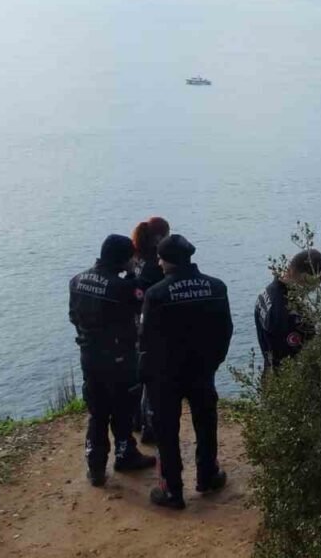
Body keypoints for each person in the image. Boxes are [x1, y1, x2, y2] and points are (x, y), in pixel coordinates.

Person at [140, 234, 233, 509]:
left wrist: (147, 373)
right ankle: (208, 475)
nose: (158, 263)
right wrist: (214, 361)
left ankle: (172, 490)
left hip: (166, 374)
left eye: (159, 258)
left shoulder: (156, 294)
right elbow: (226, 330)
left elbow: (146, 340)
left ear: (166, 261)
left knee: (166, 430)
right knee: (206, 423)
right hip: (202, 369)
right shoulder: (216, 287)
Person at [68, 234, 157, 487]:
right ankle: (125, 454)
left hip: (89, 356)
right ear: (122, 258)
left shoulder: (77, 280)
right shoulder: (121, 287)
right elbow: (142, 300)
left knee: (97, 412)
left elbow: (73, 315)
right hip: (119, 358)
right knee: (122, 409)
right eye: (131, 257)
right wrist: (135, 274)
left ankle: (95, 467)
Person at [130, 216, 170, 445]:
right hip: (150, 324)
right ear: (159, 238)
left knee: (139, 373)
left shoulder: (137, 259)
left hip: (133, 322)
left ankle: (136, 419)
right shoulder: (157, 265)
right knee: (153, 377)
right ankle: (150, 426)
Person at [255, 249, 321, 371]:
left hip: (270, 370)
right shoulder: (289, 315)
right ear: (305, 277)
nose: (317, 287)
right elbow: (299, 358)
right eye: (318, 281)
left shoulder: (269, 292)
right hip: (287, 377)